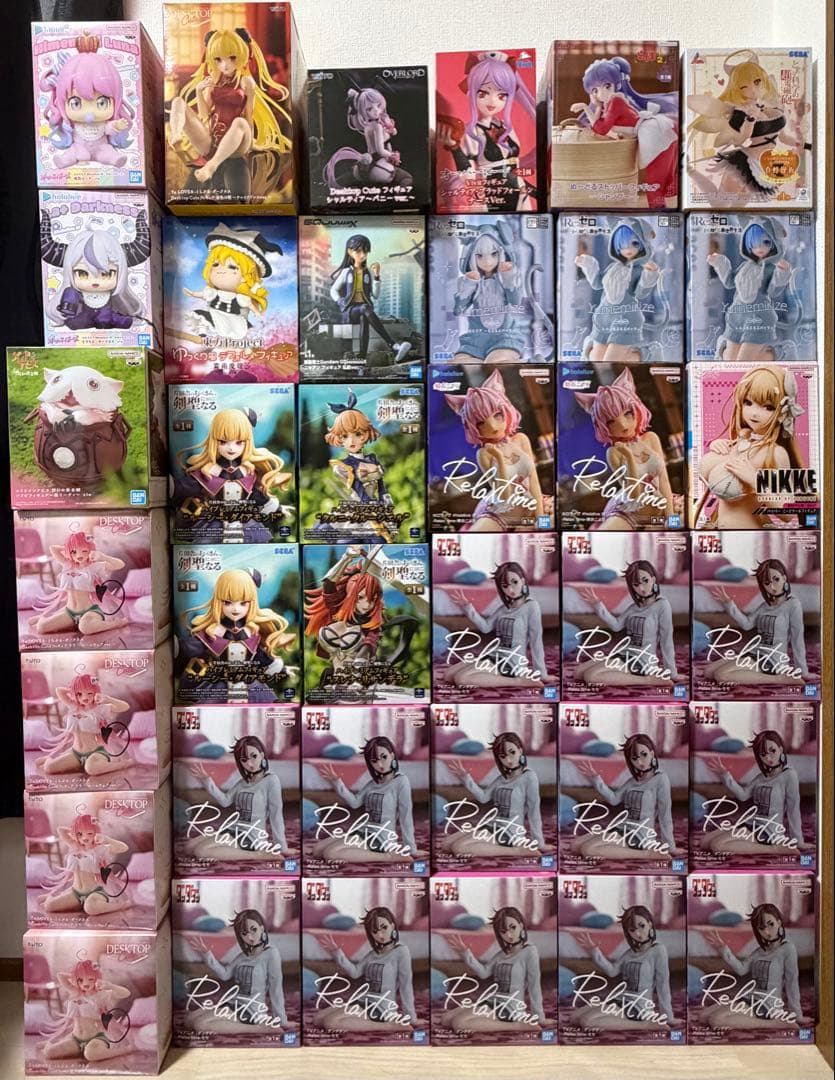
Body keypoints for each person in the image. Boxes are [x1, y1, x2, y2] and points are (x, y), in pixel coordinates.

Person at [573, 366, 675, 529]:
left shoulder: (651, 438)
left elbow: (664, 479)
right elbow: (634, 494)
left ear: (636, 410)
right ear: (603, 426)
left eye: (627, 413)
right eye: (611, 421)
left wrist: (671, 517)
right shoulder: (614, 452)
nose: (622, 425)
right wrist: (628, 457)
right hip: (629, 511)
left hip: (656, 507)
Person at [312, 735, 422, 864]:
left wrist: (411, 849)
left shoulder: (401, 781)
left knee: (331, 854)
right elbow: (354, 803)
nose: (379, 764)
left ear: (392, 755)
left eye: (384, 757)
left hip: (381, 837)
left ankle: (389, 856)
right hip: (363, 831)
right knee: (317, 850)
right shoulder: (372, 784)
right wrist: (337, 782)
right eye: (374, 761)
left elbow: (406, 817)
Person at [573, 734, 684, 860]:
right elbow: (614, 800)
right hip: (623, 827)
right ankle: (616, 847)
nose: (640, 762)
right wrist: (596, 779)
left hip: (640, 835)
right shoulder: (633, 781)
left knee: (588, 850)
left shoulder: (661, 779)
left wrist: (670, 847)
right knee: (576, 845)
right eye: (634, 758)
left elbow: (665, 815)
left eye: (644, 755)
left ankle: (647, 854)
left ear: (652, 754)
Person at [442, 562, 552, 689]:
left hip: (512, 662)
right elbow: (485, 627)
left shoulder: (531, 606)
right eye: (505, 586)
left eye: (515, 582)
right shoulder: (503, 609)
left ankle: (519, 681)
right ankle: (488, 672)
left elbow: (536, 641)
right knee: (448, 675)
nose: (511, 590)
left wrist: (542, 674)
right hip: (494, 655)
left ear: (522, 581)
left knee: (462, 679)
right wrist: (467, 607)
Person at [701, 903, 813, 1028]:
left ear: (779, 922)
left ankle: (775, 1024)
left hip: (768, 1004)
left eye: (771, 924)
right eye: (761, 928)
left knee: (716, 1020)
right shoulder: (759, 951)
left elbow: (792, 983)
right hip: (750, 998)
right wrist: (723, 949)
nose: (767, 931)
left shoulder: (787, 949)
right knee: (704, 1016)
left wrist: (797, 1015)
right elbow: (741, 970)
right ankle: (743, 1016)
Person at [443, 732, 552, 859]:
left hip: (510, 831)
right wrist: (466, 778)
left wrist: (539, 843)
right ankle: (487, 845)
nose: (508, 760)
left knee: (459, 848)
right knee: (446, 844)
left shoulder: (529, 777)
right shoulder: (501, 779)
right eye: (503, 756)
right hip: (492, 825)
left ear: (520, 750)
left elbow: (534, 811)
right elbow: (483, 798)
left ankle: (518, 851)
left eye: (512, 752)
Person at [702, 729, 812, 855]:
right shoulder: (761, 777)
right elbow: (743, 795)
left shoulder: (789, 775)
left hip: (768, 831)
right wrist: (725, 775)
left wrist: (798, 841)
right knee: (704, 842)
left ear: (781, 749)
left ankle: (775, 848)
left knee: (718, 845)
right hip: (751, 823)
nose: (768, 758)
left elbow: (793, 809)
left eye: (772, 751)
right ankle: (744, 842)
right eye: (763, 754)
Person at [185, 735, 295, 860]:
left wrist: (282, 847)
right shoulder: (243, 782)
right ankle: (228, 847)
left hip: (252, 836)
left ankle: (258, 854)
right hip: (234, 829)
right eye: (244, 760)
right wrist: (207, 781)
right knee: (189, 847)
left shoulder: (271, 780)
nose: (249, 763)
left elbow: (276, 815)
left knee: (201, 851)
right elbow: (225, 801)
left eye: (254, 756)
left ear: (262, 755)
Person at [704, 559, 811, 686]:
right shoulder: (764, 606)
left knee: (721, 675)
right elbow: (747, 624)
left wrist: (802, 671)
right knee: (708, 672)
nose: (772, 587)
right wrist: (729, 604)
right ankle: (751, 672)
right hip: (755, 653)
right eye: (767, 583)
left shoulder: (793, 604)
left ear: (784, 578)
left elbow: (797, 639)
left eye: (776, 579)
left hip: (772, 659)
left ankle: (779, 678)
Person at [575, 560, 682, 687]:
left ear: (653, 579)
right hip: (624, 653)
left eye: (645, 581)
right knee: (578, 673)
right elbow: (616, 626)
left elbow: (667, 641)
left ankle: (649, 680)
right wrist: (598, 606)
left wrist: (672, 673)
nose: (641, 588)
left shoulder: (662, 605)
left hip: (642, 660)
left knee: (591, 676)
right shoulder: (634, 607)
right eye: (636, 584)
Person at [569, 905, 678, 1029]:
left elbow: (663, 985)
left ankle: (645, 1025)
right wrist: (594, 950)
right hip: (620, 1000)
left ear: (650, 924)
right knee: (574, 1018)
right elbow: (612, 971)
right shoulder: (630, 953)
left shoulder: (658, 950)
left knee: (587, 1022)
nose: (638, 933)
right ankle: (618, 1018)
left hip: (638, 1007)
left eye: (642, 926)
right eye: (632, 930)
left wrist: (668, 1017)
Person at [185, 908, 289, 1032]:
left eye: (254, 929)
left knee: (200, 1025)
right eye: (244, 933)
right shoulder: (242, 956)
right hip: (233, 1003)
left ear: (262, 928)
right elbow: (224, 975)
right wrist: (207, 954)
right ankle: (229, 1022)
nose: (250, 936)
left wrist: (282, 1021)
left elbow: (276, 989)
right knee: (189, 1020)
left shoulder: (271, 953)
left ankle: (259, 1028)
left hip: (251, 1010)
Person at [444, 906, 548, 1031]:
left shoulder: (530, 951)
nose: (509, 935)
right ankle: (488, 1021)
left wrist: (539, 1017)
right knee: (446, 1019)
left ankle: (517, 1025)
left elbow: (534, 986)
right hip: (493, 1001)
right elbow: (484, 973)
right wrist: (466, 953)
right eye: (503, 931)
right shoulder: (502, 954)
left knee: (459, 1023)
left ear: (521, 926)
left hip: (511, 1007)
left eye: (513, 927)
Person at [315, 907, 418, 1031]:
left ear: (392, 926)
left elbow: (406, 986)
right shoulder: (372, 954)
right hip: (363, 1000)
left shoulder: (401, 952)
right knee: (318, 1018)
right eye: (375, 931)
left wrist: (410, 1017)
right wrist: (337, 952)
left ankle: (388, 1026)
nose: (380, 935)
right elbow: (355, 973)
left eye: (384, 927)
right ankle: (363, 1021)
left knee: (331, 1023)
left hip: (381, 1007)